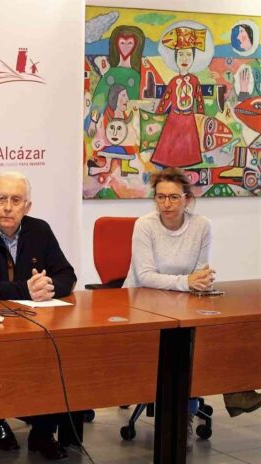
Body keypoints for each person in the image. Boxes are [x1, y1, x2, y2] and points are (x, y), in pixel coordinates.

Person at [123, 167, 261, 447]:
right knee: (184, 346)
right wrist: (186, 282)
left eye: (174, 197)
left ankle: (236, 389)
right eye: (160, 197)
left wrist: (200, 281)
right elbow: (146, 276)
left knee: (220, 327)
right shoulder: (145, 225)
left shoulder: (202, 226)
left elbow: (200, 270)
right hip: (142, 301)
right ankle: (185, 411)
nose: (167, 204)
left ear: (187, 198)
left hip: (184, 299)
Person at [0, 171, 77, 460]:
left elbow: (67, 275)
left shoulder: (40, 230)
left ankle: (43, 432)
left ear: (27, 206)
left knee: (55, 353)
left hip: (34, 323)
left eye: (15, 200)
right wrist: (25, 289)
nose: (8, 207)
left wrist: (48, 286)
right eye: (1, 199)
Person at [151, 27, 206, 167]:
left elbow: (199, 100)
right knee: (169, 150)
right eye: (181, 54)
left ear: (193, 58)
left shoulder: (194, 80)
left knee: (188, 151)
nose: (184, 59)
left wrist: (201, 116)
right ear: (175, 57)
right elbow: (165, 101)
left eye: (188, 55)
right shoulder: (173, 81)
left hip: (189, 120)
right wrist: (156, 117)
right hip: (173, 120)